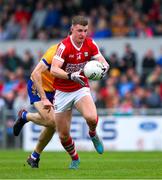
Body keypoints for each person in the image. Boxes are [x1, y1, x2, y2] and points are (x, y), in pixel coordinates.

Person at [50, 15, 109, 169]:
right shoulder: (64, 46)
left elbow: (102, 60)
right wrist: (70, 75)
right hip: (62, 91)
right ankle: (75, 158)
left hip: (80, 87)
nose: (83, 34)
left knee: (91, 117)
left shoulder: (90, 43)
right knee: (63, 135)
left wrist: (104, 67)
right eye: (79, 30)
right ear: (72, 29)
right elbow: (54, 69)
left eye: (85, 30)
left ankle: (93, 134)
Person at [13, 44, 57, 168]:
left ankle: (34, 157)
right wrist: (43, 97)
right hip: (38, 86)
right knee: (52, 121)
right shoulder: (54, 52)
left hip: (55, 91)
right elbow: (34, 74)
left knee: (52, 125)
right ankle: (25, 116)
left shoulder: (77, 56)